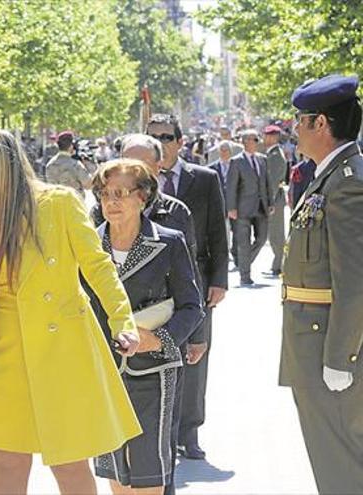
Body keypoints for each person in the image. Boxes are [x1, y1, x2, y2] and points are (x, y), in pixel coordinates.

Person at [0, 128, 142, 494]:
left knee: (69, 464)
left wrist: (123, 321)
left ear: (0, 166)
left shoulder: (58, 204)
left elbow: (98, 267)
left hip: (59, 355)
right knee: (8, 466)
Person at [90, 159, 203, 494]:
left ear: (143, 197)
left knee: (149, 467)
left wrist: (158, 340)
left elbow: (191, 307)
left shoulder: (169, 242)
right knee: (114, 465)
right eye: (104, 193)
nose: (111, 202)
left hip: (153, 372)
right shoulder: (88, 245)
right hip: (104, 371)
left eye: (121, 193)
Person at [280, 74, 363, 494]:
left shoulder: (348, 182)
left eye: (300, 120)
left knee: (340, 463)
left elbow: (356, 281)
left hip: (326, 343)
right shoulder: (329, 176)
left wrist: (340, 357)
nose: (294, 128)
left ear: (322, 124)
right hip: (313, 336)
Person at [146, 114, 227, 468]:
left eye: (165, 137)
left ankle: (189, 432)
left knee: (195, 353)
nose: (160, 143)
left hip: (196, 278)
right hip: (151, 287)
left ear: (180, 142)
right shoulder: (134, 181)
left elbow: (217, 232)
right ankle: (161, 431)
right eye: (153, 137)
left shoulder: (204, 179)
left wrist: (219, 279)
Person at [226, 129, 273, 286]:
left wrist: (271, 202)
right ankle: (245, 276)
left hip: (261, 207)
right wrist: (231, 207)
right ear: (246, 141)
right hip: (242, 208)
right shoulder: (236, 161)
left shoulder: (262, 160)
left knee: (262, 239)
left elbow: (267, 182)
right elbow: (231, 186)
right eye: (254, 139)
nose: (257, 142)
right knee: (243, 243)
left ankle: (243, 262)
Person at [263, 125, 288, 276]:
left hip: (275, 199)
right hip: (275, 198)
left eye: (267, 136)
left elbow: (272, 181)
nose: (264, 138)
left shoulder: (275, 156)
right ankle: (278, 263)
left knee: (276, 234)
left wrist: (269, 202)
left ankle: (279, 264)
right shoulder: (273, 154)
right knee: (274, 233)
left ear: (274, 137)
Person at [45, 131, 91, 196]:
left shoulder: (50, 164)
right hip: (75, 203)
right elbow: (88, 185)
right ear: (71, 146)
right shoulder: (75, 164)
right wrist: (86, 165)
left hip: (56, 202)